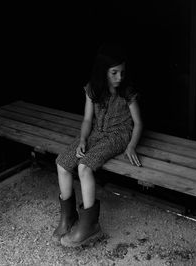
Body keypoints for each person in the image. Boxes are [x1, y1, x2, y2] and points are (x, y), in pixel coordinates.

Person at [53, 43, 143, 247]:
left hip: (118, 134)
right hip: (95, 132)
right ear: (103, 71)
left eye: (122, 72)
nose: (119, 77)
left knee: (84, 166)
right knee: (62, 163)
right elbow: (87, 120)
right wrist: (83, 138)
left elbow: (138, 123)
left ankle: (90, 225)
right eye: (114, 73)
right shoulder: (92, 89)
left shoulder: (126, 91)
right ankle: (68, 217)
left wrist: (131, 146)